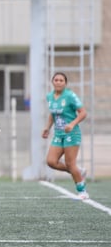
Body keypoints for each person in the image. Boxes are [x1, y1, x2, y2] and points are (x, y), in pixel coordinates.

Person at [42, 72, 89, 200]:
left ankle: (82, 191)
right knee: (51, 161)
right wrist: (47, 127)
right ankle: (79, 171)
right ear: (52, 82)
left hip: (71, 134)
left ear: (65, 83)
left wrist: (72, 124)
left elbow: (83, 113)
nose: (58, 82)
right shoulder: (50, 96)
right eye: (56, 80)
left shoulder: (70, 96)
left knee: (70, 163)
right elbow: (53, 114)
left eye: (61, 80)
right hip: (58, 134)